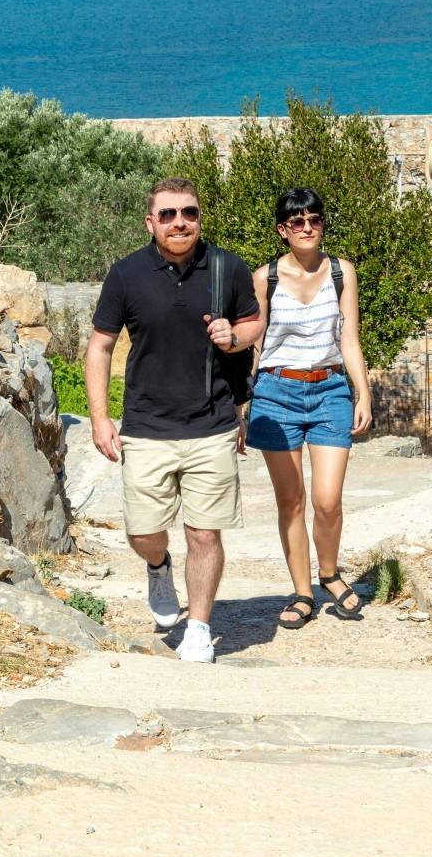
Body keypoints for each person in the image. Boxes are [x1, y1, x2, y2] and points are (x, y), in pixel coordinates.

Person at [86, 178, 262, 664]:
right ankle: (159, 567)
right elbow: (100, 346)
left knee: (204, 532)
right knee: (143, 531)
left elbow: (253, 324)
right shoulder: (125, 275)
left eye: (189, 212)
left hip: (213, 423)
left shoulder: (228, 267)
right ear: (151, 222)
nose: (179, 222)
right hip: (145, 426)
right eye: (167, 214)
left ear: (200, 217)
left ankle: (200, 627)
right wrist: (101, 418)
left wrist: (236, 335)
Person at [243, 187, 372, 629]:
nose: (307, 228)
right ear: (283, 230)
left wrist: (363, 391)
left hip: (330, 390)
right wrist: (243, 405)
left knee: (328, 500)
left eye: (314, 220)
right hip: (276, 394)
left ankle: (330, 574)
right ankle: (302, 592)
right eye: (296, 222)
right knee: (292, 501)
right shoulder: (265, 279)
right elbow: (255, 347)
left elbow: (348, 338)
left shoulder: (342, 272)